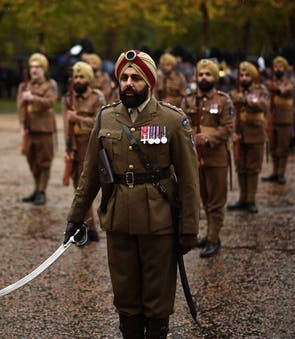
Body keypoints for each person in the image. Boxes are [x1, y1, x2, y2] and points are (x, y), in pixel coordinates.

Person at [65, 49, 200, 338]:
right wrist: (76, 218)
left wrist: (189, 228)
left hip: (158, 222)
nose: (128, 83)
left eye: (136, 78)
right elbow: (89, 176)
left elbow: (189, 180)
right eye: (124, 77)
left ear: (149, 82)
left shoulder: (172, 120)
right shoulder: (105, 118)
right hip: (118, 219)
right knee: (125, 296)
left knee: (157, 296)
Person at [180, 59, 235, 258]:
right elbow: (181, 124)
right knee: (203, 197)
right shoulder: (188, 100)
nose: (204, 78)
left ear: (214, 77)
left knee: (216, 200)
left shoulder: (223, 100)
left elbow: (228, 127)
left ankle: (213, 238)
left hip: (216, 155)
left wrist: (208, 137)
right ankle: (209, 233)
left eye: (208, 74)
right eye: (201, 74)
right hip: (195, 156)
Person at [62, 61, 105, 243]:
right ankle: (89, 229)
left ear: (88, 79)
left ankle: (91, 228)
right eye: (76, 77)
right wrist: (67, 147)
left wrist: (77, 118)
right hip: (75, 147)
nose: (78, 80)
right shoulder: (67, 98)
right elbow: (66, 126)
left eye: (81, 77)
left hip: (90, 147)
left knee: (87, 189)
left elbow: (100, 122)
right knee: (78, 188)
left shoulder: (97, 98)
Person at [227, 61, 269, 213]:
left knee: (253, 168)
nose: (244, 78)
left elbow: (264, 105)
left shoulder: (260, 90)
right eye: (242, 75)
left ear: (253, 76)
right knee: (241, 167)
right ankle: (242, 198)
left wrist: (246, 100)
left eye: (247, 75)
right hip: (239, 134)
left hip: (255, 133)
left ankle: (251, 199)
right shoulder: (234, 92)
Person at [17, 53, 57, 205]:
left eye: (38, 67)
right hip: (29, 129)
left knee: (44, 161)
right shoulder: (24, 86)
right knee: (31, 160)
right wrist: (21, 125)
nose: (34, 70)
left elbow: (51, 102)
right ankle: (36, 188)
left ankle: (42, 191)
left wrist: (33, 98)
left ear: (43, 69)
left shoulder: (50, 85)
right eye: (32, 67)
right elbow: (20, 107)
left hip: (44, 128)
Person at [262, 55, 294, 185]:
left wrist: (276, 88)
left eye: (281, 67)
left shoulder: (289, 81)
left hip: (285, 119)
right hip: (272, 118)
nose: (278, 69)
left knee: (283, 147)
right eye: (276, 67)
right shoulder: (270, 81)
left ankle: (281, 173)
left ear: (285, 68)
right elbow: (267, 87)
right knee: (273, 147)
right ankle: (274, 172)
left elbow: (286, 90)